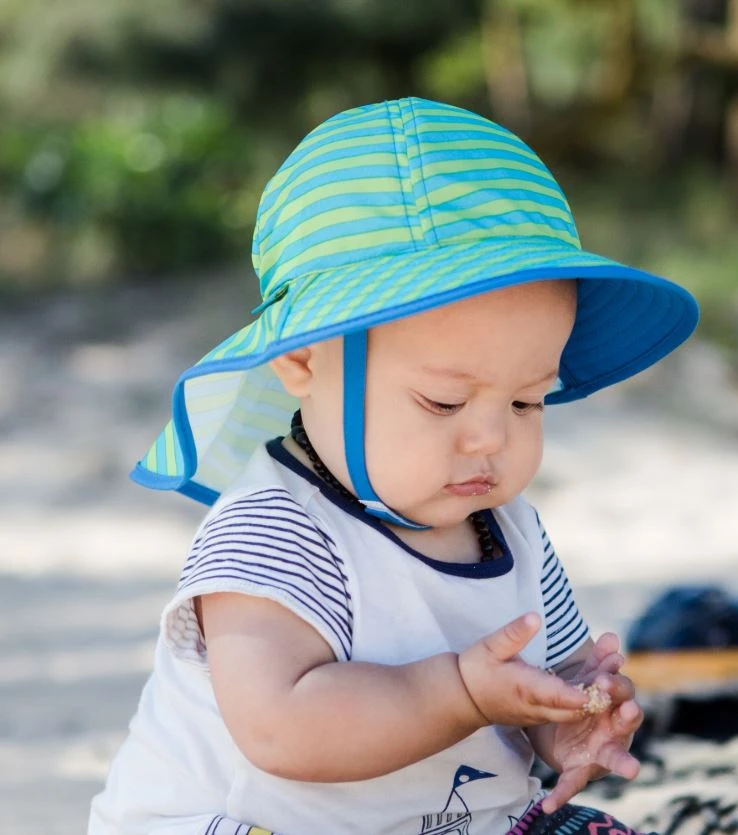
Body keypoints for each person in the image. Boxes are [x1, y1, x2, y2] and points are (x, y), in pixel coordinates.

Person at [89, 97, 699, 835]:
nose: (489, 440)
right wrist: (461, 694)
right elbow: (281, 728)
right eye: (444, 402)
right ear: (304, 358)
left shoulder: (515, 532)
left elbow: (550, 674)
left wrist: (572, 714)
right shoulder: (272, 530)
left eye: (527, 403)